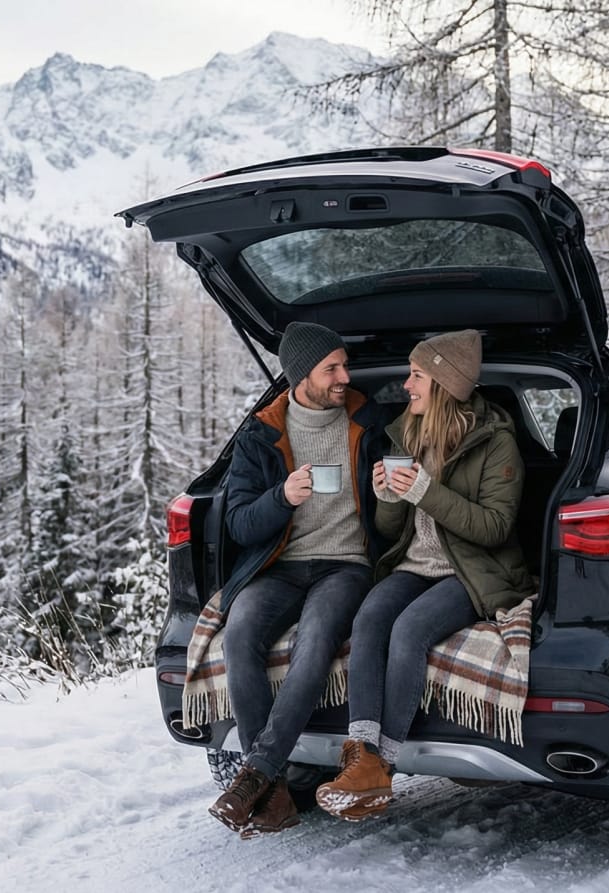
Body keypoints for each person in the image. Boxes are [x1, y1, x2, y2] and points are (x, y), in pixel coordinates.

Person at [314, 329, 534, 821]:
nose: (407, 385)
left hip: (474, 570)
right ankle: (360, 754)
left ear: (443, 382)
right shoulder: (406, 434)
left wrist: (425, 490)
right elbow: (394, 530)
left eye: (416, 376)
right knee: (370, 619)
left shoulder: (497, 443)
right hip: (416, 565)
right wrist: (390, 497)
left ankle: (382, 766)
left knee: (409, 630)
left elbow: (495, 529)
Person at [207, 321, 386, 838]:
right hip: (281, 566)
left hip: (346, 564)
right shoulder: (261, 434)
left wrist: (389, 492)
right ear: (300, 374)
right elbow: (239, 523)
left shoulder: (368, 421)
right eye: (332, 368)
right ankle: (278, 794)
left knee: (314, 643)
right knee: (238, 635)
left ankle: (257, 773)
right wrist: (281, 497)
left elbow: (394, 511)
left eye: (343, 365)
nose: (344, 377)